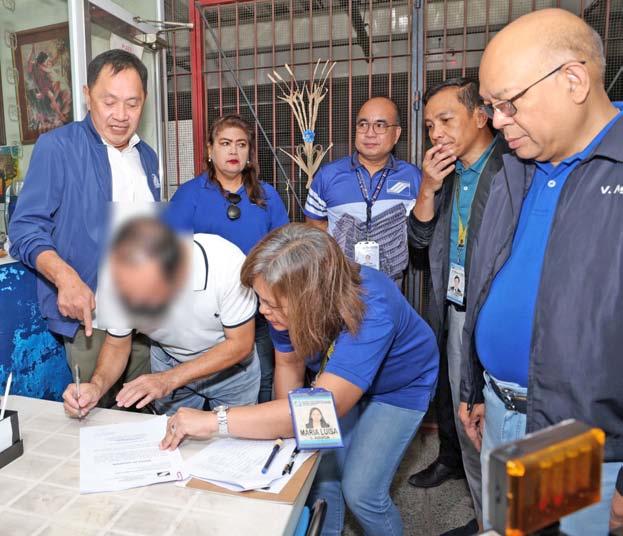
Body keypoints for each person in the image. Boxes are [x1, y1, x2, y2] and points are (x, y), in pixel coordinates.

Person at [456, 9, 623, 534]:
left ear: (573, 80)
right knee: (508, 527)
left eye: (508, 103)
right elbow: (486, 280)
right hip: (501, 410)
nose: (496, 121)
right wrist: (476, 386)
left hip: (583, 440)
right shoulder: (513, 166)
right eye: (490, 106)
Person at [159, 223, 439, 535]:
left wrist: (214, 421)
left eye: (271, 304)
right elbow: (289, 364)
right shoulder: (286, 296)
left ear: (311, 298)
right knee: (320, 473)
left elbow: (322, 411)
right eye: (260, 300)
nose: (263, 311)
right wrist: (285, 436)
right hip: (336, 380)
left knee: (362, 492)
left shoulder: (373, 309)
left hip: (399, 386)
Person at [10, 49, 160, 407]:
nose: (121, 115)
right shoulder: (58, 148)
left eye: (132, 103)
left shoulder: (147, 156)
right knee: (95, 410)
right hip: (91, 321)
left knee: (144, 413)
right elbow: (25, 228)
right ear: (87, 94)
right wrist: (65, 277)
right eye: (109, 101)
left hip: (145, 318)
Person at [407, 78, 505, 535]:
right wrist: (427, 188)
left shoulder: (512, 168)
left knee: (500, 425)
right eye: (429, 126)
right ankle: (486, 517)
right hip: (454, 307)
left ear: (481, 116)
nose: (436, 134)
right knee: (468, 418)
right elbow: (418, 243)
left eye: (446, 120)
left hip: (497, 315)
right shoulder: (445, 175)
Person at [62, 217, 260, 417]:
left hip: (231, 368)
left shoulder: (226, 263)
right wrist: (96, 386)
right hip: (169, 360)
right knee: (170, 433)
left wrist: (168, 380)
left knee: (235, 431)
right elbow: (116, 345)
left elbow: (240, 344)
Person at [166, 114, 289, 404]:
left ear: (249, 152)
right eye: (225, 143)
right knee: (191, 397)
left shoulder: (268, 196)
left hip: (258, 314)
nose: (234, 151)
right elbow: (170, 257)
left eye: (241, 144)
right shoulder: (189, 195)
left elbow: (283, 254)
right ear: (210, 150)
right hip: (202, 319)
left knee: (261, 386)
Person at [304, 97, 422, 284]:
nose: (370, 133)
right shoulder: (328, 175)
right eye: (363, 125)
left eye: (380, 125)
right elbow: (314, 225)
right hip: (340, 284)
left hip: (391, 285)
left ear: (396, 134)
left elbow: (420, 230)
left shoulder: (413, 177)